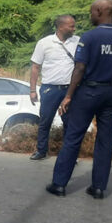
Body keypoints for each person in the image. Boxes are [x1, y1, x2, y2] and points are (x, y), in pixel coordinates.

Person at [46, 0, 112, 200]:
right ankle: (99, 188)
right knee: (105, 140)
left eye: (92, 11)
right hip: (111, 92)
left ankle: (59, 184)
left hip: (89, 92)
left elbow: (80, 68)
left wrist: (68, 96)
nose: (90, 15)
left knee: (73, 137)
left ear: (100, 11)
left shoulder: (90, 37)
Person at [28, 15, 79, 161]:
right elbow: (35, 67)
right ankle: (41, 150)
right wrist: (32, 90)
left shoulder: (78, 41)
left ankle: (70, 155)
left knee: (69, 123)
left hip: (70, 89)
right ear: (61, 27)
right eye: (71, 26)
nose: (74, 29)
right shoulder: (44, 43)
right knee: (45, 121)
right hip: (50, 89)